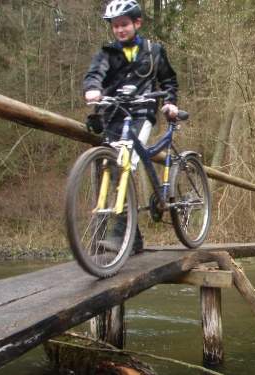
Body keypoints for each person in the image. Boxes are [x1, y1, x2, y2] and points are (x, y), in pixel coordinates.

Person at [83, 0, 179, 253]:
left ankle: (119, 232)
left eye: (124, 24)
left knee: (127, 163)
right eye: (115, 26)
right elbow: (95, 74)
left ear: (137, 23)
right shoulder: (107, 53)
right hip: (114, 114)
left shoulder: (153, 50)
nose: (120, 30)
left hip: (141, 113)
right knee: (114, 169)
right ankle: (132, 237)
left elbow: (168, 80)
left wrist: (169, 103)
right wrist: (92, 89)